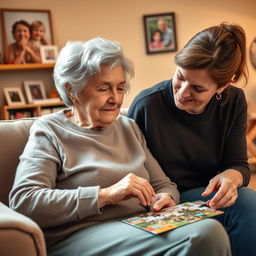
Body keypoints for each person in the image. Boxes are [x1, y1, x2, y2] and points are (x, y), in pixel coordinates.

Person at [9, 38, 231, 256]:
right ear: (72, 90)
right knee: (204, 233)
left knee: (212, 225)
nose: (115, 99)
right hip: (80, 236)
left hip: (140, 227)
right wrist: (106, 195)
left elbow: (164, 184)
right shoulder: (49, 131)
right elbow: (24, 201)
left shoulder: (128, 127)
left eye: (121, 88)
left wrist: (166, 198)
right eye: (104, 88)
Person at [128, 22, 256, 256]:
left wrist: (232, 176)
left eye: (197, 88)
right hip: (162, 200)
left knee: (247, 201)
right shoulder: (147, 105)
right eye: (180, 77)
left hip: (206, 197)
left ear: (223, 86)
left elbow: (238, 164)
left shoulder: (233, 101)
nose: (183, 92)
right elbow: (129, 171)